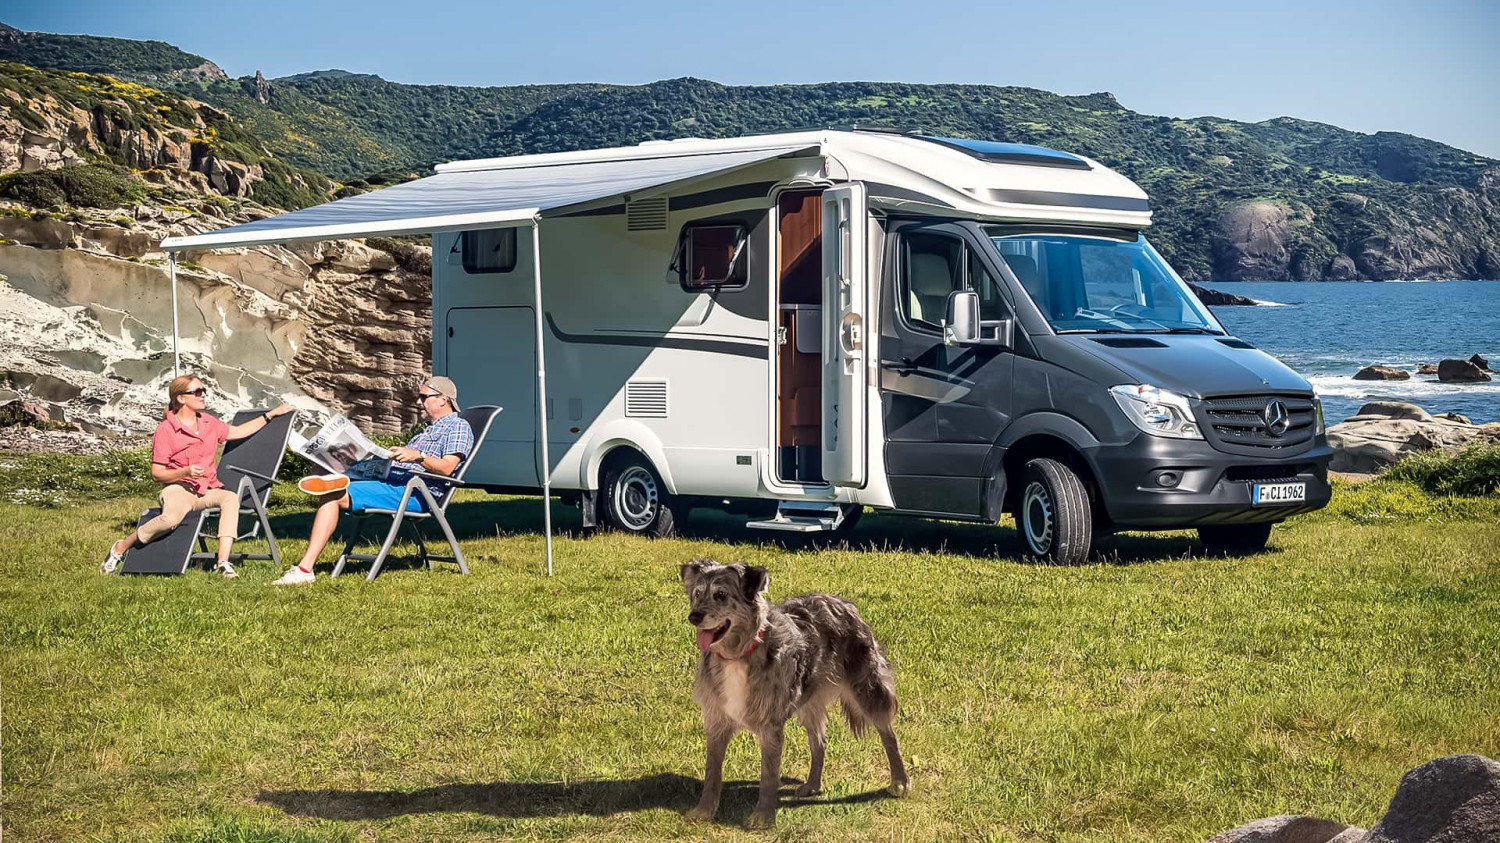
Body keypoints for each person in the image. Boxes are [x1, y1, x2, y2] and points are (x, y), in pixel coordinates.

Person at [273, 376, 473, 585]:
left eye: (423, 397)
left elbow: (448, 467)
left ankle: (305, 570)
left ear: (443, 399)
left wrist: (418, 455)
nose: (417, 402)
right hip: (395, 481)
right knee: (330, 470)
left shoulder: (458, 426)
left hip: (416, 492)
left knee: (332, 494)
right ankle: (331, 474)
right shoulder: (428, 428)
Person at [101, 375, 296, 578]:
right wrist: (184, 472)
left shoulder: (208, 423)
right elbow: (157, 473)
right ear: (181, 398)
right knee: (170, 520)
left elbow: (237, 431)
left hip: (207, 489)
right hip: (178, 488)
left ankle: (223, 563)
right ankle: (120, 548)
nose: (202, 395)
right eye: (196, 392)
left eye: (203, 391)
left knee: (229, 498)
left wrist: (271, 414)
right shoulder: (166, 430)